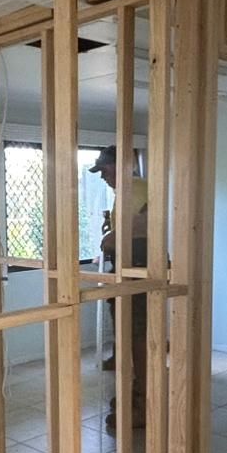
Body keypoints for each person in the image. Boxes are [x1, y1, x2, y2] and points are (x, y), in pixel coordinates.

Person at [90, 146, 148, 433]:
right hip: (130, 267)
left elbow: (144, 224)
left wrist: (112, 238)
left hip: (139, 269)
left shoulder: (135, 189)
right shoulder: (127, 193)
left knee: (138, 335)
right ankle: (136, 392)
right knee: (129, 331)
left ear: (122, 166)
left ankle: (144, 403)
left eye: (106, 170)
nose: (103, 177)